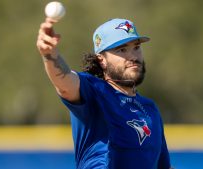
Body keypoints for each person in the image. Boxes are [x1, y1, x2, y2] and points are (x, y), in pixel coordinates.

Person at [36, 17, 172, 169]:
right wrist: (50, 55)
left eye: (136, 47)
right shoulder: (94, 92)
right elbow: (65, 83)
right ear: (102, 60)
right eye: (122, 49)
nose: (133, 56)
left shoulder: (150, 109)